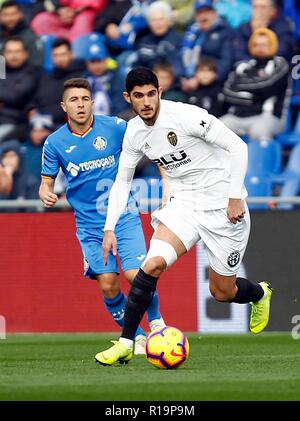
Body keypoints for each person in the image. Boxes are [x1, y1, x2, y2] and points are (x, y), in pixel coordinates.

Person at [95, 67, 273, 366]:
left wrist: (233, 197)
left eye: (152, 93)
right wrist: (109, 226)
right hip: (184, 205)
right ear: (128, 98)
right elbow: (122, 183)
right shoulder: (135, 133)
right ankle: (126, 342)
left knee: (222, 291)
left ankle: (259, 293)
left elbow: (237, 146)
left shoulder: (186, 116)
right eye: (139, 96)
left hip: (222, 207)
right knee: (151, 265)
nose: (147, 101)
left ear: (159, 92)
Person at [39, 77, 165, 354]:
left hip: (125, 215)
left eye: (85, 99)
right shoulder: (55, 143)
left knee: (135, 274)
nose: (80, 105)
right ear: (64, 106)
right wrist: (45, 191)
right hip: (89, 226)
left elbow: (152, 146)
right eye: (74, 100)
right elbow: (46, 181)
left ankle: (157, 322)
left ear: (92, 102)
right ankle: (139, 337)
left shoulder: (116, 127)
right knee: (108, 284)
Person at [221, 28, 290, 142]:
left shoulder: (280, 64)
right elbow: (227, 91)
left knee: (259, 131)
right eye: (256, 44)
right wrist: (253, 95)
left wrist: (240, 86)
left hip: (268, 116)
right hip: (237, 115)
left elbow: (268, 87)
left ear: (273, 45)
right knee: (216, 129)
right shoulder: (243, 66)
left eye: (264, 45)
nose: (259, 48)